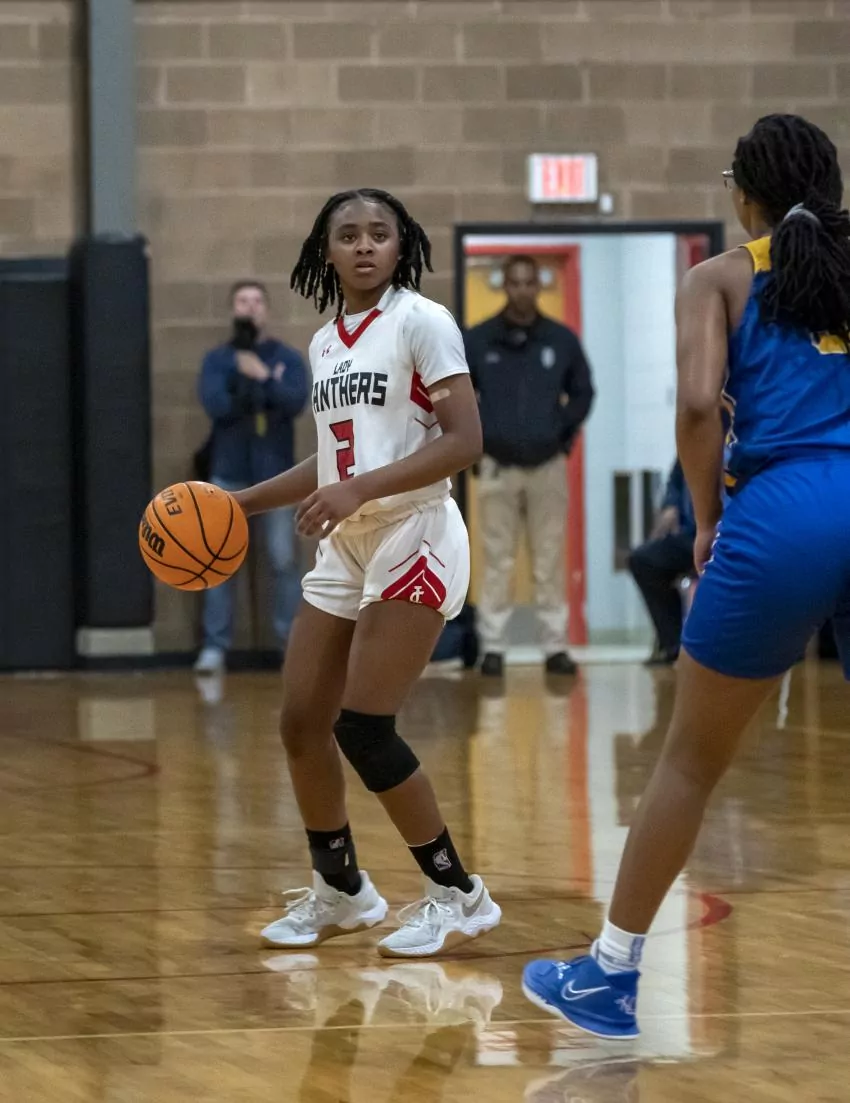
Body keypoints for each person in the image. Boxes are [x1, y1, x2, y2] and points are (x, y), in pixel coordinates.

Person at [522, 113, 850, 1037]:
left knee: (689, 761)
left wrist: (707, 519)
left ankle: (610, 976)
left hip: (784, 512)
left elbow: (701, 403)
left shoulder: (720, 277)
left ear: (743, 193)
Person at [232, 188, 501, 956]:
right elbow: (332, 458)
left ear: (400, 245)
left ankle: (459, 894)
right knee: (301, 722)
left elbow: (464, 439)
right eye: (348, 234)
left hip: (416, 531)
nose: (363, 245)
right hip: (349, 541)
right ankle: (343, 890)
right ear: (326, 250)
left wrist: (358, 489)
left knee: (364, 726)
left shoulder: (422, 321)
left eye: (379, 233)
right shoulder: (325, 343)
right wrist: (240, 503)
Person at [463, 256, 595, 678]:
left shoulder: (561, 340)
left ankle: (555, 647)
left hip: (547, 465)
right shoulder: (479, 340)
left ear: (538, 286)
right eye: (514, 283)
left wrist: (560, 433)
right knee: (497, 558)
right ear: (505, 286)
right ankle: (493, 648)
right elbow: (458, 397)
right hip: (497, 465)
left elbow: (583, 393)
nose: (522, 290)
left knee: (549, 558)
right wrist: (478, 441)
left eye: (529, 283)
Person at [194, 281, 308, 675]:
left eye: (257, 301)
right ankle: (214, 647)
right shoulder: (218, 360)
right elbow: (216, 405)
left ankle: (292, 646)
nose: (250, 307)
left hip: (277, 477)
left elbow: (295, 401)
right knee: (218, 564)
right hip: (229, 473)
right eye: (243, 301)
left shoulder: (286, 358)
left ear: (267, 310)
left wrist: (264, 377)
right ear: (232, 309)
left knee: (283, 559)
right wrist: (244, 380)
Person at [628, 458, 696, 666]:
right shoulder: (690, 445)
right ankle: (673, 645)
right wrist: (670, 505)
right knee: (643, 560)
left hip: (725, 535)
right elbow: (675, 480)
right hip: (689, 536)